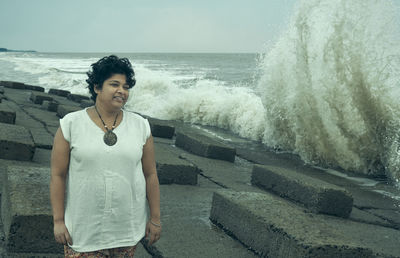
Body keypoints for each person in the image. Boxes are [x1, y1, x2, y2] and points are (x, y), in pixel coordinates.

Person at [50, 55, 161, 257]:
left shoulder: (140, 126)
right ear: (96, 87)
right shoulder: (71, 124)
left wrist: (155, 219)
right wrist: (58, 221)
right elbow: (58, 175)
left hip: (126, 228)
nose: (122, 91)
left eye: (126, 87)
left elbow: (150, 174)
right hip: (83, 229)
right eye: (114, 84)